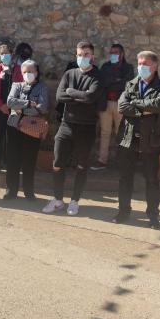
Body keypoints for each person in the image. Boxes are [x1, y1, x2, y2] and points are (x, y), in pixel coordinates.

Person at [43, 41, 102, 216]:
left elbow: (91, 97)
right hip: (66, 125)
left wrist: (71, 92)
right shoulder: (69, 74)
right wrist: (80, 96)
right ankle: (58, 200)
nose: (82, 57)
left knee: (81, 166)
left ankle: (75, 201)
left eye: (86, 54)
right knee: (57, 163)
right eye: (79, 55)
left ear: (92, 57)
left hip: (86, 127)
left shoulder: (98, 76)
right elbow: (60, 96)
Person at [115, 51, 160, 229]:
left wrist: (134, 103)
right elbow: (121, 106)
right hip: (129, 137)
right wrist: (144, 110)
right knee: (125, 178)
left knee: (152, 179)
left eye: (145, 64)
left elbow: (158, 105)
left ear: (155, 66)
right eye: (139, 64)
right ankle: (123, 211)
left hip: (151, 139)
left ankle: (153, 216)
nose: (141, 67)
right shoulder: (130, 84)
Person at [4, 59, 49, 200]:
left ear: (36, 72)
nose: (27, 74)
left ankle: (29, 192)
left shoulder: (42, 87)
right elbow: (10, 102)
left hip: (32, 128)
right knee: (12, 159)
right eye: (25, 71)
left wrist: (20, 109)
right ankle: (11, 190)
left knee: (29, 160)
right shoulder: (16, 85)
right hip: (14, 126)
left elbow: (42, 108)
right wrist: (29, 104)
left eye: (30, 71)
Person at [93, 43, 135, 171]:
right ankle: (102, 161)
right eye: (111, 52)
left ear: (122, 54)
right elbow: (101, 83)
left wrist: (112, 82)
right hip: (105, 103)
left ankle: (123, 161)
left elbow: (126, 85)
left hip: (120, 104)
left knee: (120, 133)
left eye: (115, 52)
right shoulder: (105, 67)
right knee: (104, 132)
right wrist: (116, 80)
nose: (113, 55)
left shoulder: (128, 68)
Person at [0, 43, 22, 170]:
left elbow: (21, 87)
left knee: (12, 135)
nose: (4, 56)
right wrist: (0, 105)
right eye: (2, 54)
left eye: (7, 53)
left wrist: (11, 105)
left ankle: (10, 160)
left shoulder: (18, 69)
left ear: (12, 54)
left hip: (14, 108)